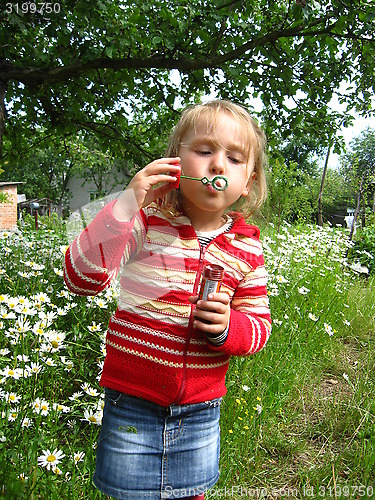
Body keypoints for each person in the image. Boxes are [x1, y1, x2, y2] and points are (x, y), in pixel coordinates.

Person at [64, 99, 272, 499]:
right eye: (205, 150)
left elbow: (259, 326)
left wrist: (229, 328)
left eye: (233, 157)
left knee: (190, 493)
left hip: (199, 413)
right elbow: (80, 278)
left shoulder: (247, 251)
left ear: (248, 181)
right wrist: (126, 204)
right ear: (175, 162)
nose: (216, 166)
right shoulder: (145, 223)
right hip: (131, 404)